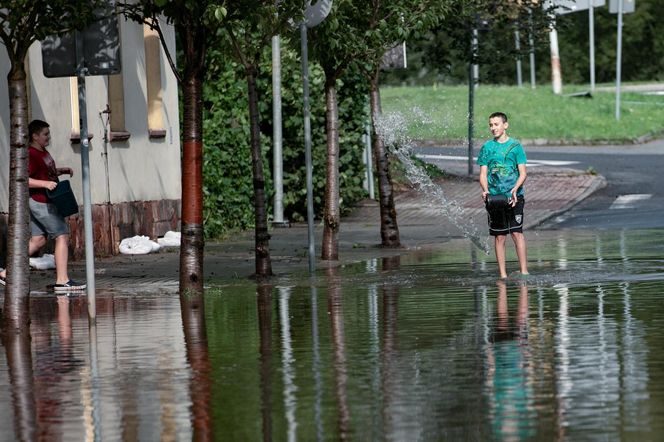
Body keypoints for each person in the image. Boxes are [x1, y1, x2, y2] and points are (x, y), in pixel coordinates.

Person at [0, 119, 85, 291]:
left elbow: (44, 172)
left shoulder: (42, 151)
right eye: (45, 134)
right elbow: (23, 180)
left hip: (44, 201)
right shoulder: (30, 154)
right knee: (62, 235)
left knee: (38, 241)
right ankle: (62, 280)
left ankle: (6, 273)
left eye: (48, 133)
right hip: (41, 202)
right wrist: (45, 184)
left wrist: (60, 171)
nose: (49, 137)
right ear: (35, 136)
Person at [478, 112, 529, 279]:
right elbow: (483, 174)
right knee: (499, 236)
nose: (493, 128)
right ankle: (503, 275)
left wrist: (515, 189)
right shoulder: (487, 147)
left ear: (505, 125)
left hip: (515, 196)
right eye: (491, 125)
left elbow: (523, 173)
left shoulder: (515, 146)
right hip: (495, 198)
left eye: (496, 124)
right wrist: (485, 190)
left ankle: (524, 271)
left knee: (516, 233)